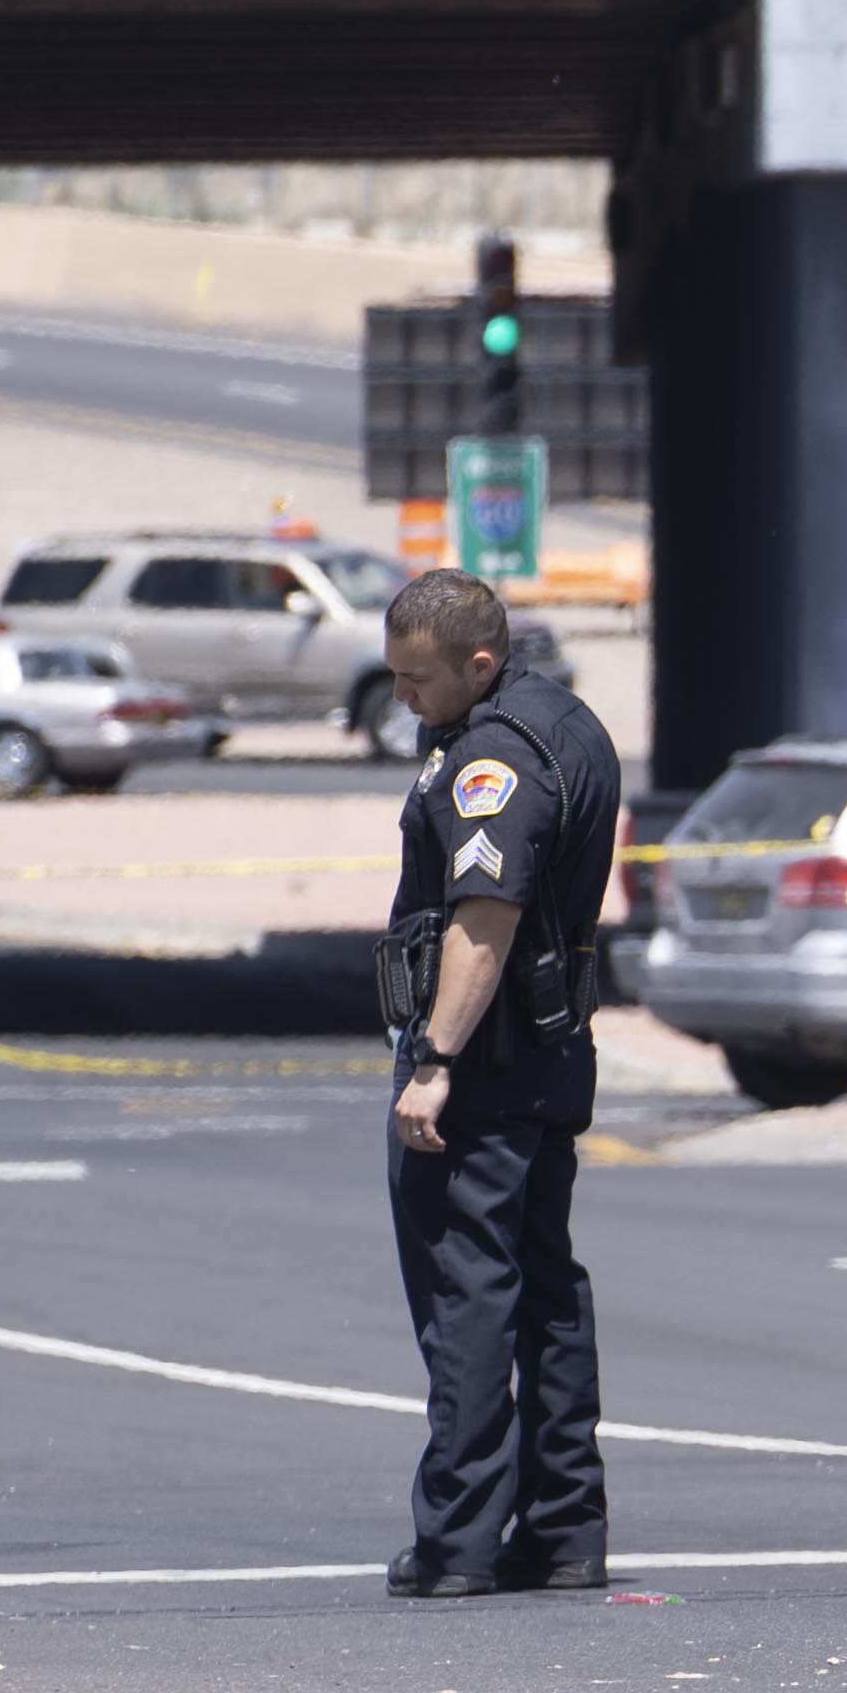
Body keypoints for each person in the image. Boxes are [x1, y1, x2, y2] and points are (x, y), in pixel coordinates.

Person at [376, 568, 622, 1599]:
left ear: (479, 664)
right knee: (542, 1287)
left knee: (467, 1295)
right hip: (548, 1050)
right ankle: (562, 1527)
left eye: (418, 679)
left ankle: (459, 1540)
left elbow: (486, 920)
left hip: (485, 1061)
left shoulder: (496, 759)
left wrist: (434, 1061)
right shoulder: (565, 722)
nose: (402, 697)